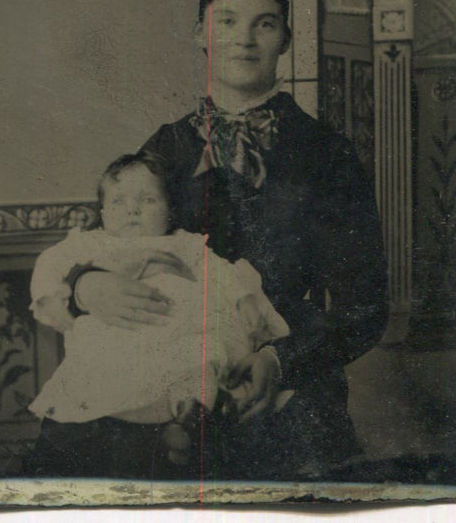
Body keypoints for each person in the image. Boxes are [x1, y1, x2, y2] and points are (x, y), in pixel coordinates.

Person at [73, 0, 389, 480]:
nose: (244, 39)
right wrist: (88, 287)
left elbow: (366, 307)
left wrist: (281, 361)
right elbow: (97, 247)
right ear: (201, 33)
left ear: (285, 37)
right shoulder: (166, 148)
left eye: (263, 23)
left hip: (292, 384)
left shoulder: (327, 154)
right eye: (227, 22)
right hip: (165, 381)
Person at [25, 152, 289, 477]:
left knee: (204, 357)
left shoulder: (184, 245)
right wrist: (50, 298)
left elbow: (221, 271)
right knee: (92, 367)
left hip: (178, 332)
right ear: (103, 213)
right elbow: (50, 264)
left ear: (169, 211)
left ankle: (186, 422)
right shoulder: (91, 243)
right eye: (119, 202)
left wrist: (245, 298)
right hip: (118, 333)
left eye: (147, 200)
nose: (132, 210)